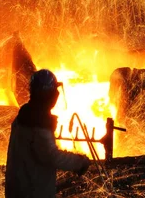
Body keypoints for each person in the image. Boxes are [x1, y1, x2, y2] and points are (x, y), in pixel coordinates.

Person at [5, 69, 90, 198]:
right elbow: (51, 155)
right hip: (32, 192)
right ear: (49, 95)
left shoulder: (24, 117)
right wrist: (79, 162)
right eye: (54, 92)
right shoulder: (37, 123)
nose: (57, 95)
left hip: (19, 189)